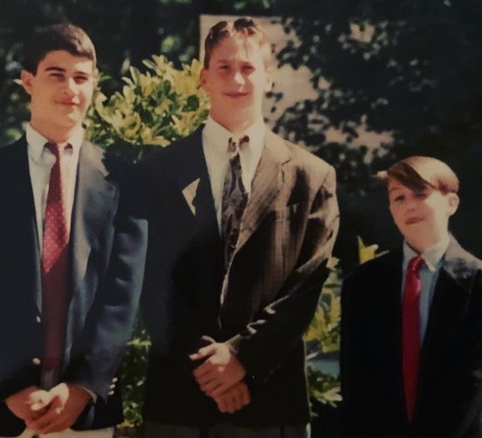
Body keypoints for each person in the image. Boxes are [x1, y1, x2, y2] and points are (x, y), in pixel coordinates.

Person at [139, 17, 339, 438]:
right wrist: (211, 367)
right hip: (178, 400)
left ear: (269, 76)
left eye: (249, 67)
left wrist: (242, 358)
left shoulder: (311, 176)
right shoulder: (156, 171)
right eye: (224, 67)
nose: (237, 78)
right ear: (203, 77)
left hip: (270, 400)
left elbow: (306, 287)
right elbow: (148, 280)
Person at [0, 23, 147, 437]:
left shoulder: (124, 180)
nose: (70, 89)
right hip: (3, 410)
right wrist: (7, 386)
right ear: (28, 81)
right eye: (56, 75)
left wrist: (82, 387)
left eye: (81, 78)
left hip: (85, 410)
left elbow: (122, 295)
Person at [340, 156, 482, 437]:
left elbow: (472, 383)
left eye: (420, 194)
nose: (409, 205)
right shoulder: (363, 284)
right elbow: (356, 384)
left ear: (451, 203)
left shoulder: (480, 283)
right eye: (398, 197)